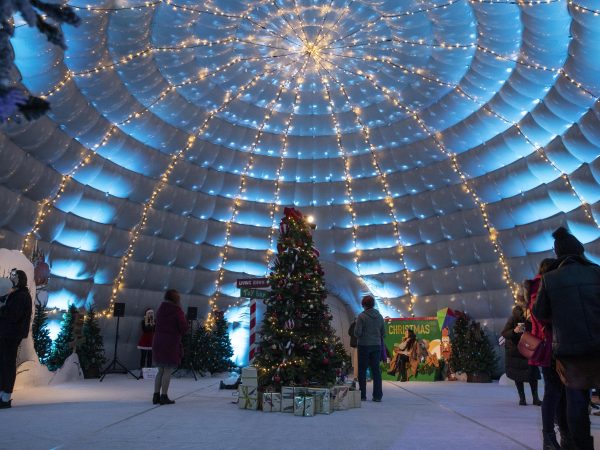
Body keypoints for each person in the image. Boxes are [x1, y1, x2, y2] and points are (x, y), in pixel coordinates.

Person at [533, 227, 600, 450]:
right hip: (598, 347)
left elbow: (540, 312)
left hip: (570, 350)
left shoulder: (550, 279)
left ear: (557, 252)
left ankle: (580, 445)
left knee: (576, 402)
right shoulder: (596, 272)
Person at [526, 258, 569, 450]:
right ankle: (549, 437)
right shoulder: (540, 286)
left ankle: (561, 434)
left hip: (554, 344)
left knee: (558, 392)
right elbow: (541, 315)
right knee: (553, 392)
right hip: (548, 346)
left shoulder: (541, 286)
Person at [0, 269, 33, 409]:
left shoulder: (21, 296)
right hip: (8, 334)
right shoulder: (16, 294)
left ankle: (5, 397)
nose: (11, 279)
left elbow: (13, 315)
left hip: (11, 335)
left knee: (7, 364)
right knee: (4, 364)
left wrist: (2, 309)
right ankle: (3, 394)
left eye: (14, 277)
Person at [152, 289, 188, 405]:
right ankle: (164, 396)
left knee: (160, 370)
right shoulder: (177, 310)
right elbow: (183, 327)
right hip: (170, 343)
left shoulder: (161, 308)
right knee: (167, 370)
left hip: (158, 341)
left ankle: (155, 396)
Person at [501, 305, 541, 406]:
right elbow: (504, 333)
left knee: (533, 373)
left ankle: (535, 398)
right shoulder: (514, 318)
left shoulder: (532, 318)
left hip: (528, 349)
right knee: (518, 375)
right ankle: (522, 399)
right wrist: (514, 331)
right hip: (515, 351)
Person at [354, 295, 384, 402]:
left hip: (364, 346)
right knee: (376, 371)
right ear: (373, 304)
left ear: (363, 305)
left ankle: (362, 395)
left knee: (362, 370)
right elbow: (383, 333)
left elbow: (357, 333)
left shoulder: (361, 316)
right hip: (376, 346)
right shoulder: (380, 316)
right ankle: (377, 396)